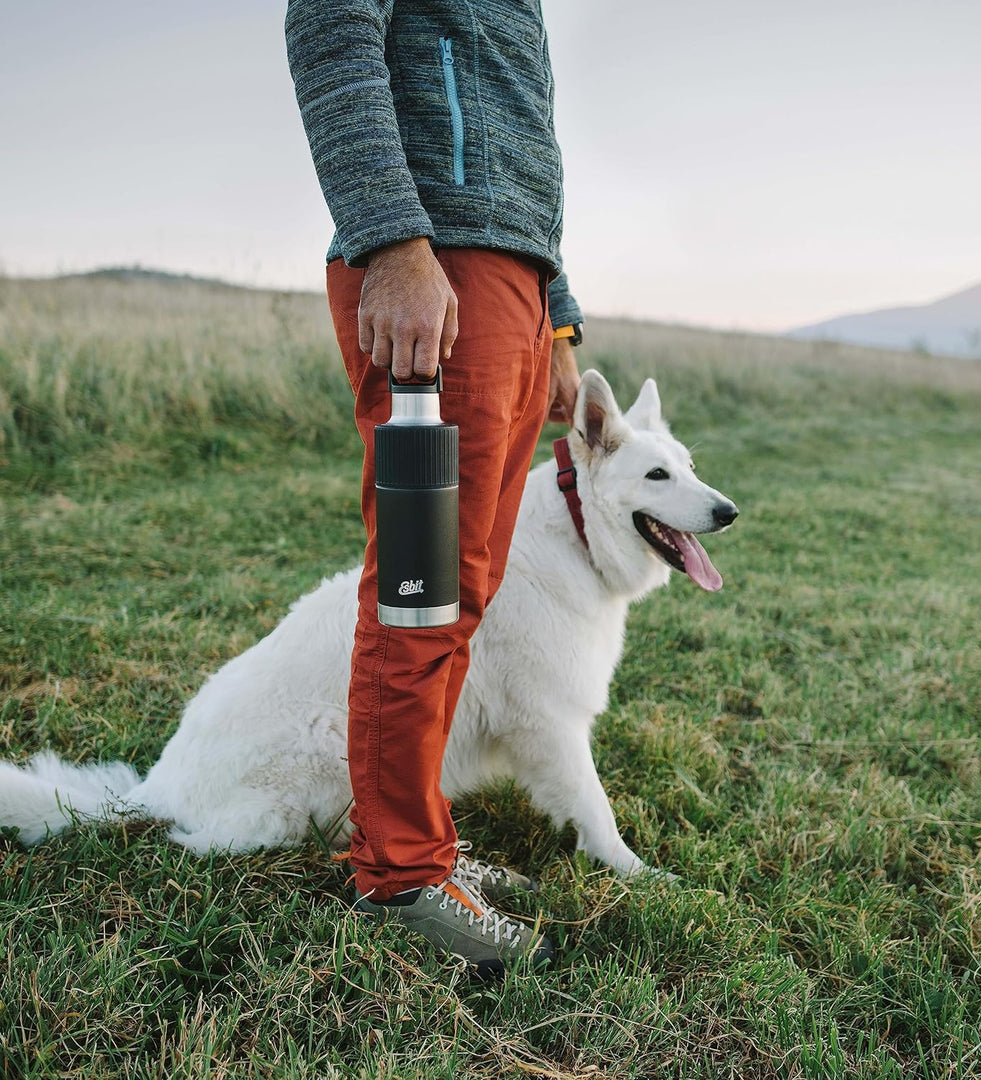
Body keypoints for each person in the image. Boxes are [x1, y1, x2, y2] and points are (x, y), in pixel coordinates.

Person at [285, 1, 583, 976]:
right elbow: (330, 28)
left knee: (469, 588)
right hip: (437, 267)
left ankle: (423, 843)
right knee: (424, 586)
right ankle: (400, 875)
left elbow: (518, 135)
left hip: (511, 286)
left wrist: (560, 319)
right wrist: (392, 243)